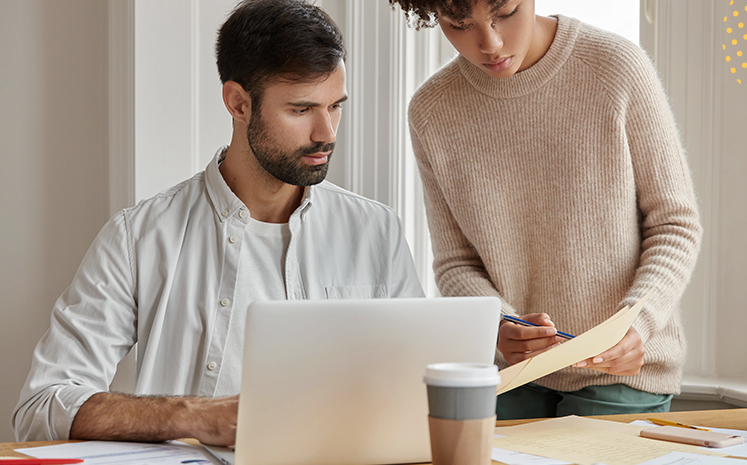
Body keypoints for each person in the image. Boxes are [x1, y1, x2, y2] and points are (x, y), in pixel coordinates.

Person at [13, 0, 423, 444]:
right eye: (302, 110)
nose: (327, 133)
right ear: (238, 103)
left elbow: (422, 384)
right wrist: (193, 416)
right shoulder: (139, 238)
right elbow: (41, 407)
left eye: (335, 106)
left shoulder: (376, 231)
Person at [388, 0, 702, 420]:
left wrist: (637, 323)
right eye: (460, 25)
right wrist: (497, 326)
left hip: (622, 373)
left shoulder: (615, 67)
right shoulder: (432, 110)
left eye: (505, 12)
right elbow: (455, 263)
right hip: (514, 375)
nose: (491, 43)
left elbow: (675, 225)